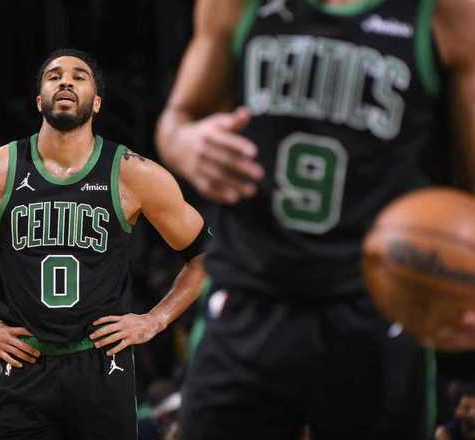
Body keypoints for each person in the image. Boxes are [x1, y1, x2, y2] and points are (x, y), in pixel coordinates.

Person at [155, 0, 475, 439]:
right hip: (249, 291)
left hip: (381, 300)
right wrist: (187, 143)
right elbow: (177, 119)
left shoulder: (445, 11)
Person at [0, 48, 207, 440]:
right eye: (54, 76)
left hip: (103, 364)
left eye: (79, 76)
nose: (65, 81)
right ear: (40, 100)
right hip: (26, 365)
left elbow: (206, 256)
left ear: (96, 102)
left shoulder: (133, 173)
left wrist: (155, 320)